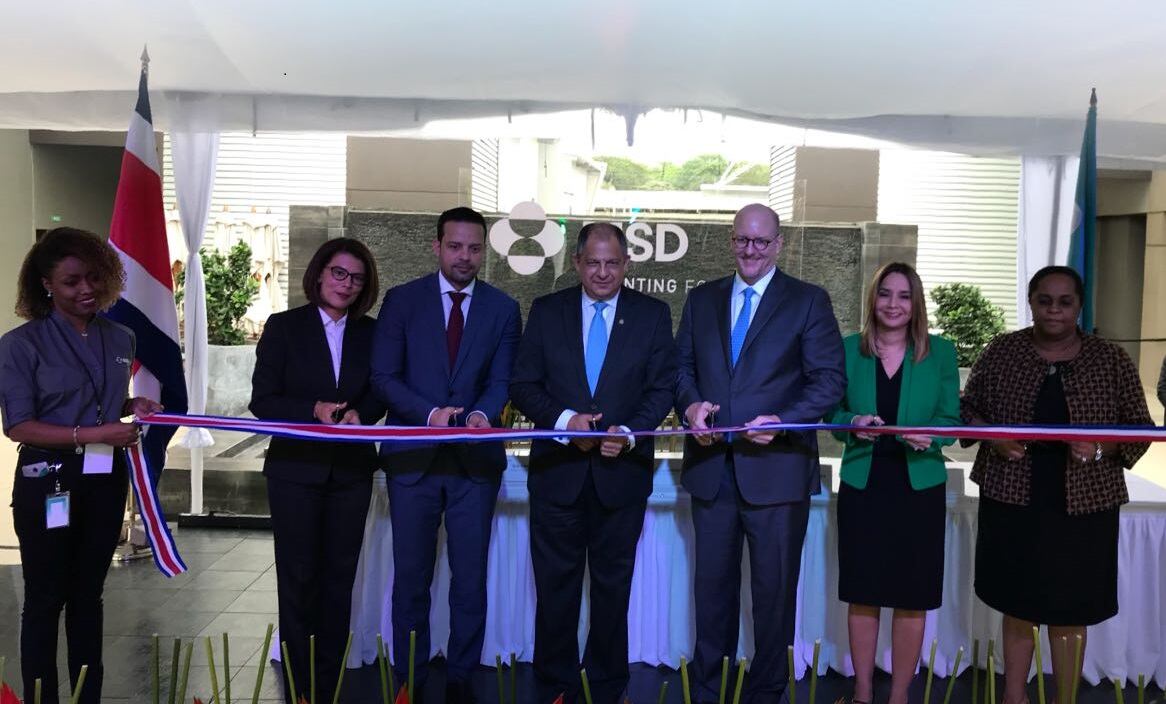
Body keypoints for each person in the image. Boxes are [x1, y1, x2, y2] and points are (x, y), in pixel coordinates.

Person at [675, 203, 846, 704]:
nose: (750, 250)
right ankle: (709, 691)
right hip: (712, 471)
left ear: (778, 244)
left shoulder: (808, 301)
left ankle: (767, 693)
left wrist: (783, 420)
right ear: (731, 240)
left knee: (774, 597)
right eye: (742, 240)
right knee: (711, 594)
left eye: (761, 242)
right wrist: (690, 407)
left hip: (777, 473)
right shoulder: (702, 299)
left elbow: (829, 381)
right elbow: (681, 369)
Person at [962, 265, 1152, 704]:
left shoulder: (1109, 359)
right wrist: (995, 438)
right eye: (1044, 301)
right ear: (1030, 302)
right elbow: (967, 408)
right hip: (1012, 497)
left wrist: (1100, 449)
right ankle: (1014, 695)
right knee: (1018, 603)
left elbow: (1140, 428)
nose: (1054, 310)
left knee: (1072, 607)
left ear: (1079, 307)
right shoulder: (1003, 351)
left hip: (1085, 503)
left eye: (1065, 302)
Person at [510, 222, 677, 704]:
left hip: (621, 477)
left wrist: (628, 433)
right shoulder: (547, 311)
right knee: (555, 590)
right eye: (593, 263)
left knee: (612, 590)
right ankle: (554, 686)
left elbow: (662, 388)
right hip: (557, 477)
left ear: (627, 263)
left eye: (612, 263)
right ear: (577, 263)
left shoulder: (652, 314)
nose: (603, 272)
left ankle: (606, 687)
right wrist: (567, 422)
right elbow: (523, 385)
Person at [0, 227, 162, 704]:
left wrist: (132, 405)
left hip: (104, 478)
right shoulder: (20, 344)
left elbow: (97, 402)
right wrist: (96, 434)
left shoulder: (121, 336)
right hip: (48, 479)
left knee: (89, 595)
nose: (86, 289)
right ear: (46, 284)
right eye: (71, 282)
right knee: (45, 597)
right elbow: (19, 426)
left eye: (94, 277)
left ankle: (87, 696)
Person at [371, 206, 521, 703]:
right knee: (411, 578)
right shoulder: (402, 301)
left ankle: (461, 678)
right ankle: (408, 679)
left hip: (474, 464)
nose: (464, 256)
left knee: (470, 579)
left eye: (474, 248)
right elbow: (384, 377)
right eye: (455, 246)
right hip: (413, 459)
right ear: (436, 246)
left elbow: (502, 379)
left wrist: (481, 415)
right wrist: (431, 414)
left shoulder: (503, 308)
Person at [250, 237, 385, 704]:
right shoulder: (284, 327)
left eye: (357, 278)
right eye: (339, 273)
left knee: (338, 583)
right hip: (294, 472)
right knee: (298, 581)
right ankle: (298, 689)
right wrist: (313, 409)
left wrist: (362, 413)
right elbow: (262, 401)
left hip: (350, 474)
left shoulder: (372, 333)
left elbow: (380, 391)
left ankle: (328, 688)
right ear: (320, 274)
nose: (346, 284)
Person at [826, 262, 960, 704]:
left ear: (916, 303)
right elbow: (830, 414)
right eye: (885, 294)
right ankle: (863, 692)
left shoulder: (941, 353)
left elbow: (951, 421)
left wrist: (932, 435)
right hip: (864, 485)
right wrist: (852, 422)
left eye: (904, 296)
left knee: (911, 596)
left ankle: (900, 695)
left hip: (918, 490)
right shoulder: (849, 349)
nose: (893, 304)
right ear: (873, 298)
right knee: (863, 593)